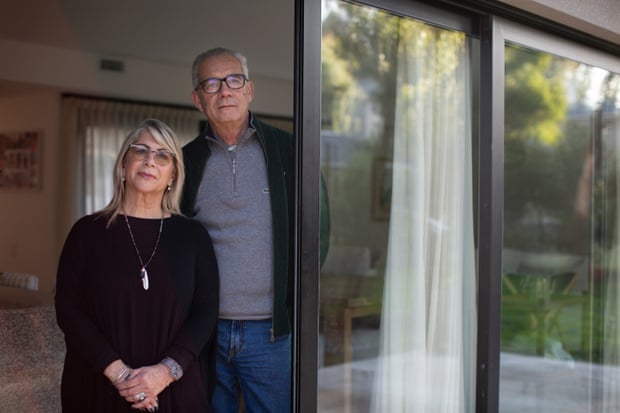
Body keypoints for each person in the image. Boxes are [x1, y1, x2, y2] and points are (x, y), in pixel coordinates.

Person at [55, 118, 219, 413]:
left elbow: (206, 312)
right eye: (140, 150)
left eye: (162, 155)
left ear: (173, 175)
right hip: (98, 389)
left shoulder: (193, 237)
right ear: (123, 165)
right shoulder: (86, 232)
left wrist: (165, 373)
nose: (149, 161)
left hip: (175, 392)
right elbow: (68, 310)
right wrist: (121, 375)